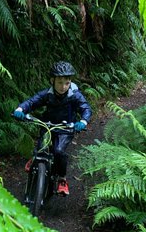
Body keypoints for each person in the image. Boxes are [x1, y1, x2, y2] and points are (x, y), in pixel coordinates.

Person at [13, 61, 92, 196]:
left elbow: (85, 108)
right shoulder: (47, 94)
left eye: (66, 83)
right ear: (52, 80)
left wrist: (83, 121)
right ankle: (36, 158)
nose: (63, 87)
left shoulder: (74, 95)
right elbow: (32, 102)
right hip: (47, 124)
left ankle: (62, 179)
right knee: (41, 147)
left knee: (59, 151)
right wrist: (20, 109)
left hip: (65, 128)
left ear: (70, 82)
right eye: (59, 83)